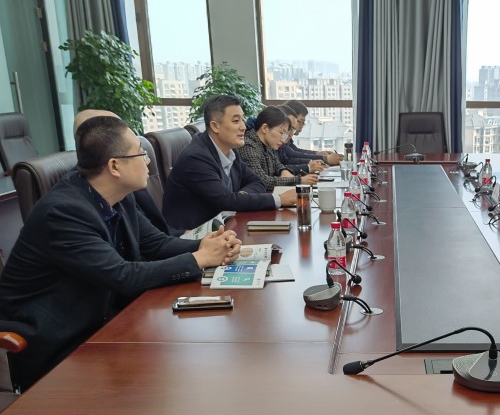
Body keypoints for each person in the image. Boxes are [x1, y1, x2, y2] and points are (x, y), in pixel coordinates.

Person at [0, 116, 242, 390]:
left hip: (108, 320)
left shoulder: (117, 195)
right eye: (140, 153)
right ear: (114, 166)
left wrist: (208, 246)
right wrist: (199, 259)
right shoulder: (63, 213)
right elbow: (123, 276)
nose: (148, 161)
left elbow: (156, 245)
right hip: (59, 343)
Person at [162, 95, 297, 231]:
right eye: (236, 121)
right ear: (215, 126)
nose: (243, 127)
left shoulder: (230, 150)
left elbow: (257, 181)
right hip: (193, 234)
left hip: (224, 225)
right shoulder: (196, 158)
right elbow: (226, 201)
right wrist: (279, 199)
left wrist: (240, 198)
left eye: (243, 120)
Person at [74, 109, 173, 235]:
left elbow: (154, 241)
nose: (148, 160)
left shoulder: (122, 191)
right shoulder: (72, 213)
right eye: (140, 152)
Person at [239, 106, 319, 191]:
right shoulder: (248, 146)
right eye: (281, 133)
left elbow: (277, 165)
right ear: (265, 128)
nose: (283, 139)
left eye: (285, 134)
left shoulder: (266, 144)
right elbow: (263, 181)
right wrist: (299, 180)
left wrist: (283, 170)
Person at [279, 100, 343, 167]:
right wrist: (325, 159)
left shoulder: (287, 137)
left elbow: (294, 151)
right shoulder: (281, 139)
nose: (301, 126)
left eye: (303, 123)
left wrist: (318, 154)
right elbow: (292, 156)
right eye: (300, 122)